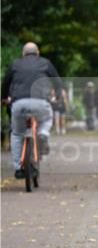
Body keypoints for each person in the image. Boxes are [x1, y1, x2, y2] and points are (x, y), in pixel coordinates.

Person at [1, 42, 63, 178]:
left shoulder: (15, 63)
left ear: (23, 54)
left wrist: (4, 98)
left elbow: (5, 82)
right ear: (38, 53)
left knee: (16, 134)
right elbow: (57, 81)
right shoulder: (45, 62)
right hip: (41, 101)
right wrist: (57, 97)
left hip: (19, 103)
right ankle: (43, 133)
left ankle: (18, 168)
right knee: (47, 119)